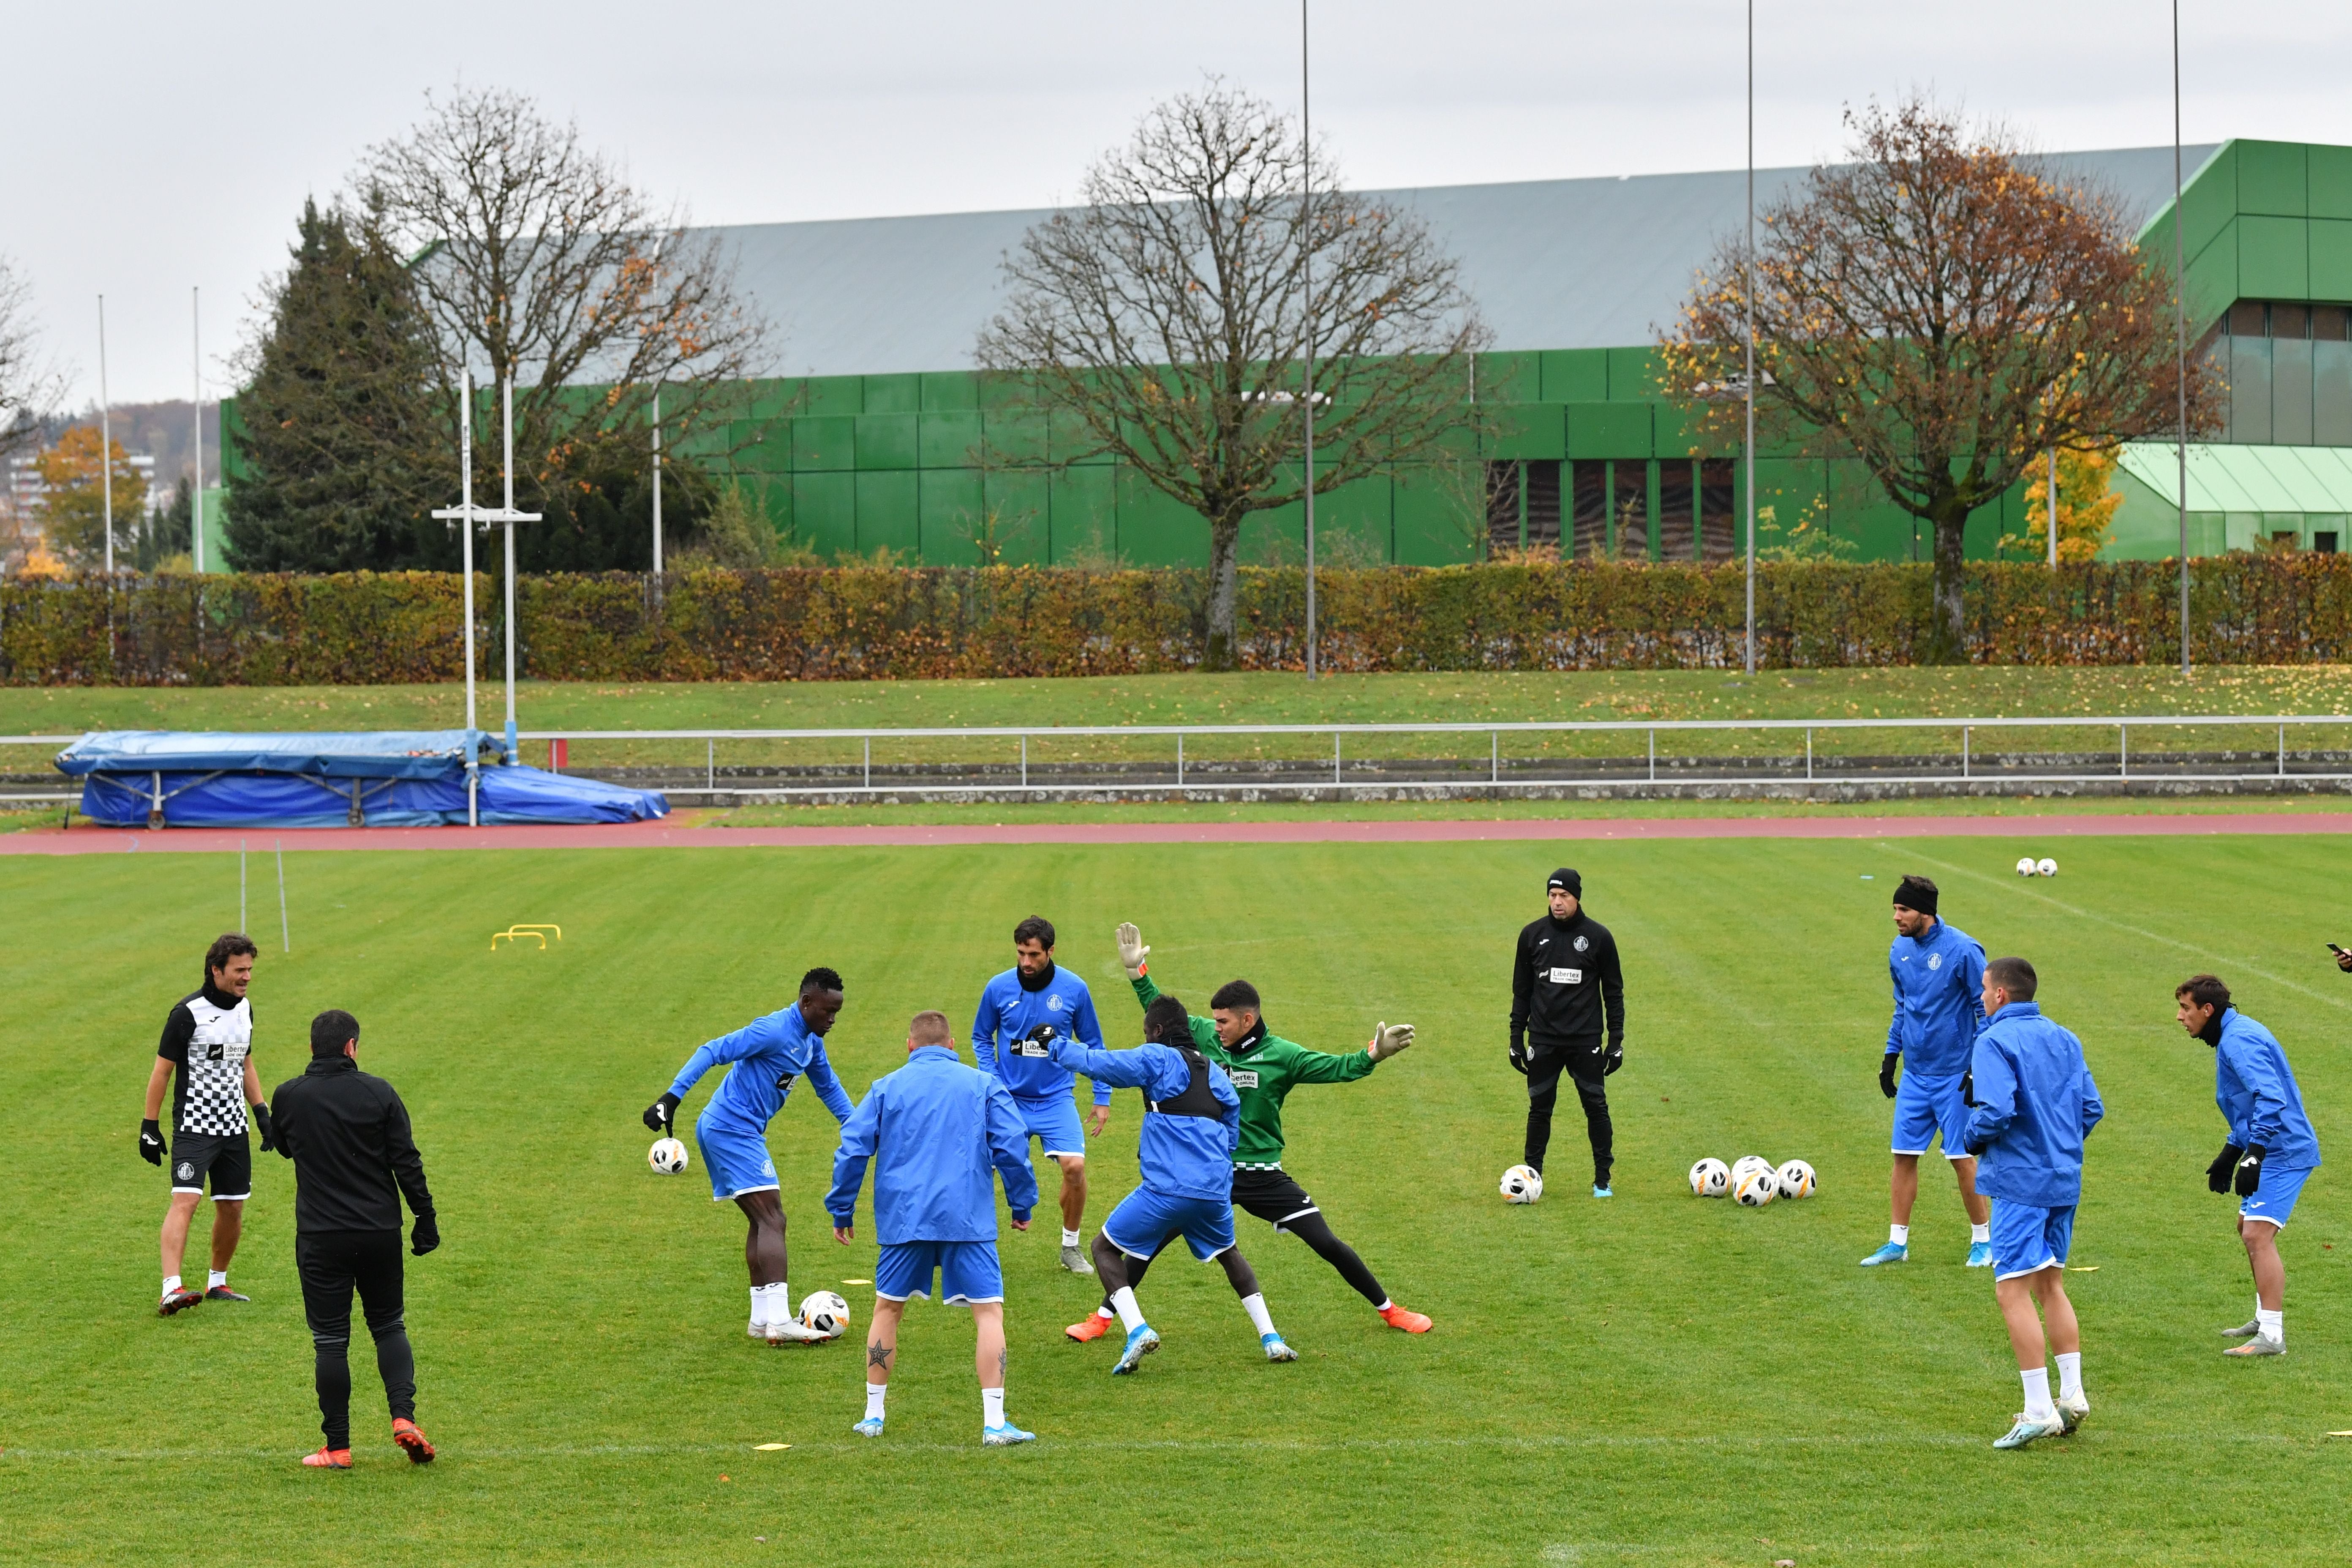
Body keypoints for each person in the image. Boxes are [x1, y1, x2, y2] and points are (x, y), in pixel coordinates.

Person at [1066, 924, 1429, 1343]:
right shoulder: (1205, 1036)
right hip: (1205, 1172)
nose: (1214, 1028)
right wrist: (1137, 973)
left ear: (1247, 1019)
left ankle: (1390, 1310)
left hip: (1261, 1175)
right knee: (1145, 1246)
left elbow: (1338, 1067)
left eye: (1223, 1021)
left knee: (1326, 1242)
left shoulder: (1284, 1056)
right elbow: (1165, 1019)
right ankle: (1103, 1318)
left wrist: (1374, 1055)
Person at [826, 1010, 1041, 1446]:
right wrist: (1022, 1201)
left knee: (888, 1310)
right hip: (968, 1221)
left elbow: (852, 1148)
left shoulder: (887, 1087)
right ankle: (995, 1422)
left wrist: (842, 1208)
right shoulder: (981, 1084)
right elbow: (1013, 1145)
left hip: (906, 1220)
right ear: (952, 1044)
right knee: (988, 1314)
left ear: (910, 1046)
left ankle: (872, 1416)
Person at [1048, 995, 1294, 1374]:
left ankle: (1137, 1330)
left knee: (1103, 1248)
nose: (1145, 1038)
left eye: (1147, 1032)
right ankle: (1272, 1338)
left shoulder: (1157, 1058)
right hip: (1214, 1192)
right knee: (1230, 1255)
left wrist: (1054, 1044)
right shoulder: (1216, 1072)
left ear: (1158, 1032)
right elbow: (1231, 1134)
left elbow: (1102, 1065)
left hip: (1166, 1190)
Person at [645, 966, 855, 1345]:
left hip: (733, 1130)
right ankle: (779, 1319)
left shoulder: (811, 1042)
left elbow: (830, 1089)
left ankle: (761, 1320)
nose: (832, 1020)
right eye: (827, 1011)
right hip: (731, 1130)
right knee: (774, 1218)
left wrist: (858, 1128)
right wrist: (670, 1099)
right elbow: (713, 1050)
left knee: (762, 1221)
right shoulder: (774, 1031)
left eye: (836, 1012)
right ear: (806, 1003)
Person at [270, 1009, 439, 1470]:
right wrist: (425, 1217)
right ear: (351, 1047)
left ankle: (338, 1447)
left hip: (322, 1236)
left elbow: (284, 1146)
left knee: (330, 1340)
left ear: (312, 1049)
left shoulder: (289, 1096)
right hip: (379, 1230)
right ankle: (404, 1416)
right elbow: (407, 1161)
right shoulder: (379, 1092)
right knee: (389, 1326)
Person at [1961, 957, 2103, 1451]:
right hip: (2064, 1180)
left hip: (2021, 1183)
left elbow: (1996, 1110)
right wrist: (2058, 1146)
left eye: (1984, 988)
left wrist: (1972, 1136)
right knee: (2050, 1283)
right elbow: (2092, 1107)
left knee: (2011, 1292)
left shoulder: (1993, 1041)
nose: (1981, 996)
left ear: (2001, 994)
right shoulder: (2065, 1036)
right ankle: (2075, 1395)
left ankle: (2040, 1409)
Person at [2176, 974, 2322, 1357]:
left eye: (2186, 1008)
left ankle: (2272, 1335)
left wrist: (2254, 1154)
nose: (2180, 1017)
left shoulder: (2239, 1041)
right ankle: (2264, 1315)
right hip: (2272, 1145)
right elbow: (2246, 1105)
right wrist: (2231, 1152)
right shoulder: (2233, 1033)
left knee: (2257, 1235)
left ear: (2208, 1010)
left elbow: (2271, 1099)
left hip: (2283, 1150)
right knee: (2248, 1227)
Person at [1860, 875, 1994, 1268]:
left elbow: (1983, 1009)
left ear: (1926, 912)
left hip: (1955, 1075)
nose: (1897, 917)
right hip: (1917, 1075)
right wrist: (1891, 1056)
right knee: (1904, 1156)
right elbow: (1904, 1006)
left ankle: (1983, 1242)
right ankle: (1897, 1244)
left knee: (1961, 1157)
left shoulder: (1964, 950)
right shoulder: (1899, 949)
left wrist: (1978, 1067)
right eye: (1895, 910)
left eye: (1903, 910)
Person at [140, 933, 275, 1315]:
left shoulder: (246, 1009)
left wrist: (261, 1113)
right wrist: (150, 1127)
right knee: (186, 1200)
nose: (247, 977)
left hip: (234, 1127)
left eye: (250, 969)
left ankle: (218, 1282)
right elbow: (162, 1072)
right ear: (216, 970)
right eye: (239, 970)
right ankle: (171, 1288)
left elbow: (244, 1063)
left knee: (232, 1206)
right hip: (195, 1127)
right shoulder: (188, 1014)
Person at [970, 917, 1110, 1274]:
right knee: (975, 1168)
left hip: (1056, 1099)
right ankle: (968, 1248)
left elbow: (1094, 1043)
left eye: (1034, 954)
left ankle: (1070, 1247)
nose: (1026, 962)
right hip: (1008, 1099)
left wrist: (1102, 1095)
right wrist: (993, 1079)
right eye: (1021, 953)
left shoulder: (1074, 989)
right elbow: (981, 1037)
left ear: (1050, 951)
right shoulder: (998, 988)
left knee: (1075, 1168)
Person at [1508, 868, 1625, 1198]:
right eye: (1552, 896)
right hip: (1543, 1039)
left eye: (1564, 897)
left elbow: (1613, 994)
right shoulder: (1532, 936)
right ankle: (1533, 1177)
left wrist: (1615, 1041)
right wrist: (1516, 1038)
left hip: (1585, 1040)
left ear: (1577, 898)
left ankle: (1603, 1180)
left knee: (1596, 1107)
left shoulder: (1599, 938)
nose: (1557, 903)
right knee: (1539, 1109)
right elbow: (1522, 992)